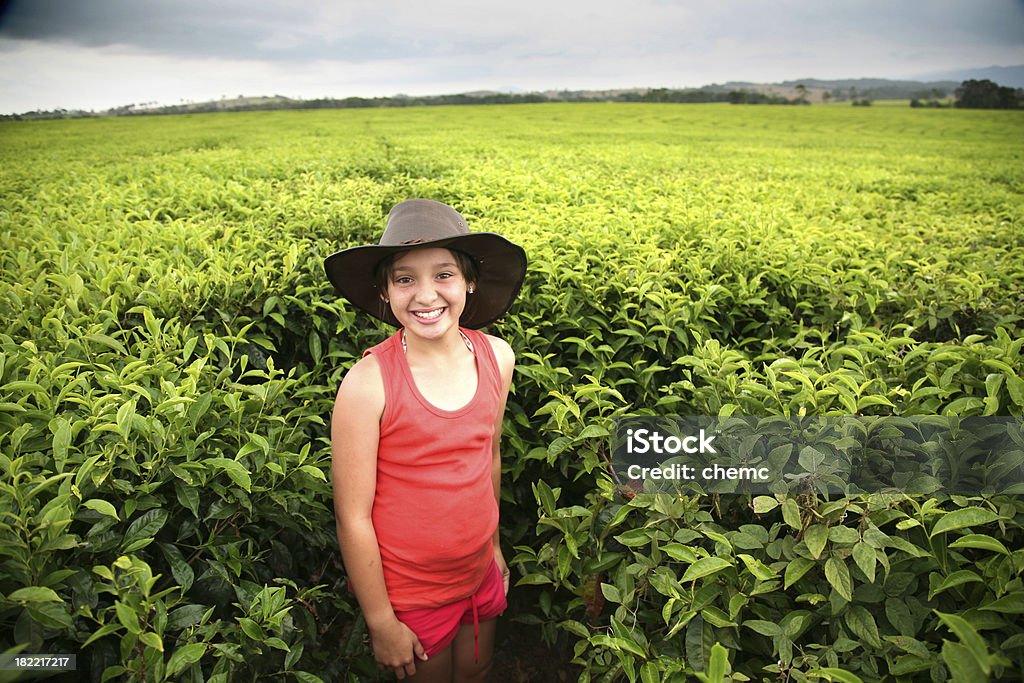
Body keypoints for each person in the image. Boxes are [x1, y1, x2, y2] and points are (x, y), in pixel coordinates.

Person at [324, 199, 527, 681]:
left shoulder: (497, 356)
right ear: (385, 290)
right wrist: (380, 621)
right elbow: (352, 516)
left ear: (469, 282)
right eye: (404, 278)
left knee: (477, 670)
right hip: (409, 593)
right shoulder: (368, 384)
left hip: (478, 572)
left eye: (443, 274)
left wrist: (494, 548)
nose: (425, 295)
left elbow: (488, 457)